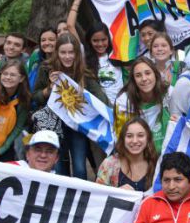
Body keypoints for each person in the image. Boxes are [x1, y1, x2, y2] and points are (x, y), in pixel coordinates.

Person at [32, 33, 108, 179]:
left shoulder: (84, 73)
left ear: (77, 53)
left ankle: (80, 198)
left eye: (71, 52)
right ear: (57, 53)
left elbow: (100, 99)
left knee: (80, 167)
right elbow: (34, 96)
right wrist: (49, 89)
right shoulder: (46, 68)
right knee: (59, 167)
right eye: (63, 52)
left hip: (77, 125)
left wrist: (110, 114)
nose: (67, 56)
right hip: (54, 125)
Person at [114, 57, 169, 152]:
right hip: (136, 153)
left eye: (148, 73)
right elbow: (122, 137)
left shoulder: (168, 93)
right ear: (133, 79)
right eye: (138, 75)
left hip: (166, 153)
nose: (144, 79)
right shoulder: (124, 101)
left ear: (155, 74)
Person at [26, 28, 58, 92]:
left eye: (51, 40)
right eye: (43, 40)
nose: (46, 43)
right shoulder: (35, 57)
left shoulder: (64, 61)